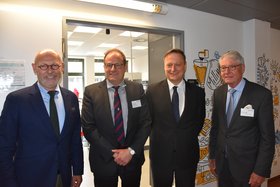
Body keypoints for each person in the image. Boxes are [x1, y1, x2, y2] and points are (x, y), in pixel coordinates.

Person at [0, 49, 84, 187]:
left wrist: (77, 170)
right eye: (43, 66)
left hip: (63, 176)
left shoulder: (71, 98)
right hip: (29, 178)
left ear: (62, 67)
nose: (50, 71)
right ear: (34, 68)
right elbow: (4, 147)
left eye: (54, 65)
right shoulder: (16, 100)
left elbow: (75, 139)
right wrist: (8, 182)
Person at [81, 48, 151, 187]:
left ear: (125, 66)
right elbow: (89, 127)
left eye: (117, 65)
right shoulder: (91, 92)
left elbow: (145, 123)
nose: (112, 69)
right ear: (104, 67)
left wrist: (130, 151)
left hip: (132, 160)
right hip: (103, 160)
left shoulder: (137, 89)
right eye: (108, 65)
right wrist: (114, 153)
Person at [209, 50, 275, 187]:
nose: (227, 72)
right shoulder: (218, 93)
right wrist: (212, 156)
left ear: (242, 68)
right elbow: (216, 128)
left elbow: (267, 138)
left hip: (248, 168)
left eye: (232, 67)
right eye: (223, 68)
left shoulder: (261, 95)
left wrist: (260, 170)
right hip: (222, 165)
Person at [146, 48, 205, 187]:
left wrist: (183, 138)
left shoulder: (198, 92)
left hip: (187, 154)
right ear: (164, 67)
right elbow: (148, 121)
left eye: (177, 65)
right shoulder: (152, 91)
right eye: (169, 65)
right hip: (160, 155)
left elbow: (199, 121)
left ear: (185, 65)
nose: (173, 69)